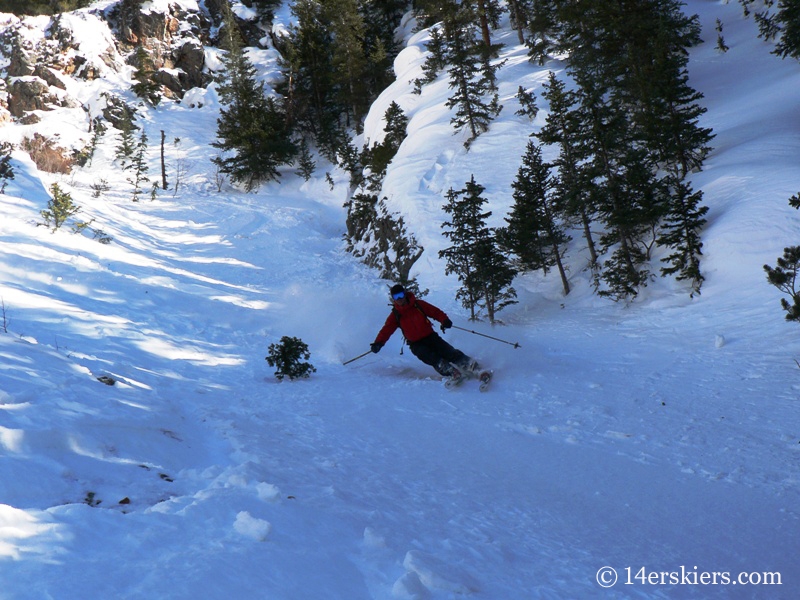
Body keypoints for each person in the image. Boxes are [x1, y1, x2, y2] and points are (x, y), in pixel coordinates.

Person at [371, 283, 478, 379]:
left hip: (430, 336)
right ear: (393, 299)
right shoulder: (395, 315)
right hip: (416, 344)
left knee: (447, 351)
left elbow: (435, 312)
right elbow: (386, 330)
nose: (399, 299)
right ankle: (450, 371)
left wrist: (444, 320)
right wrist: (378, 343)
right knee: (430, 356)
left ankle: (470, 365)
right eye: (396, 297)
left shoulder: (418, 305)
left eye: (401, 295)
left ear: (405, 294)